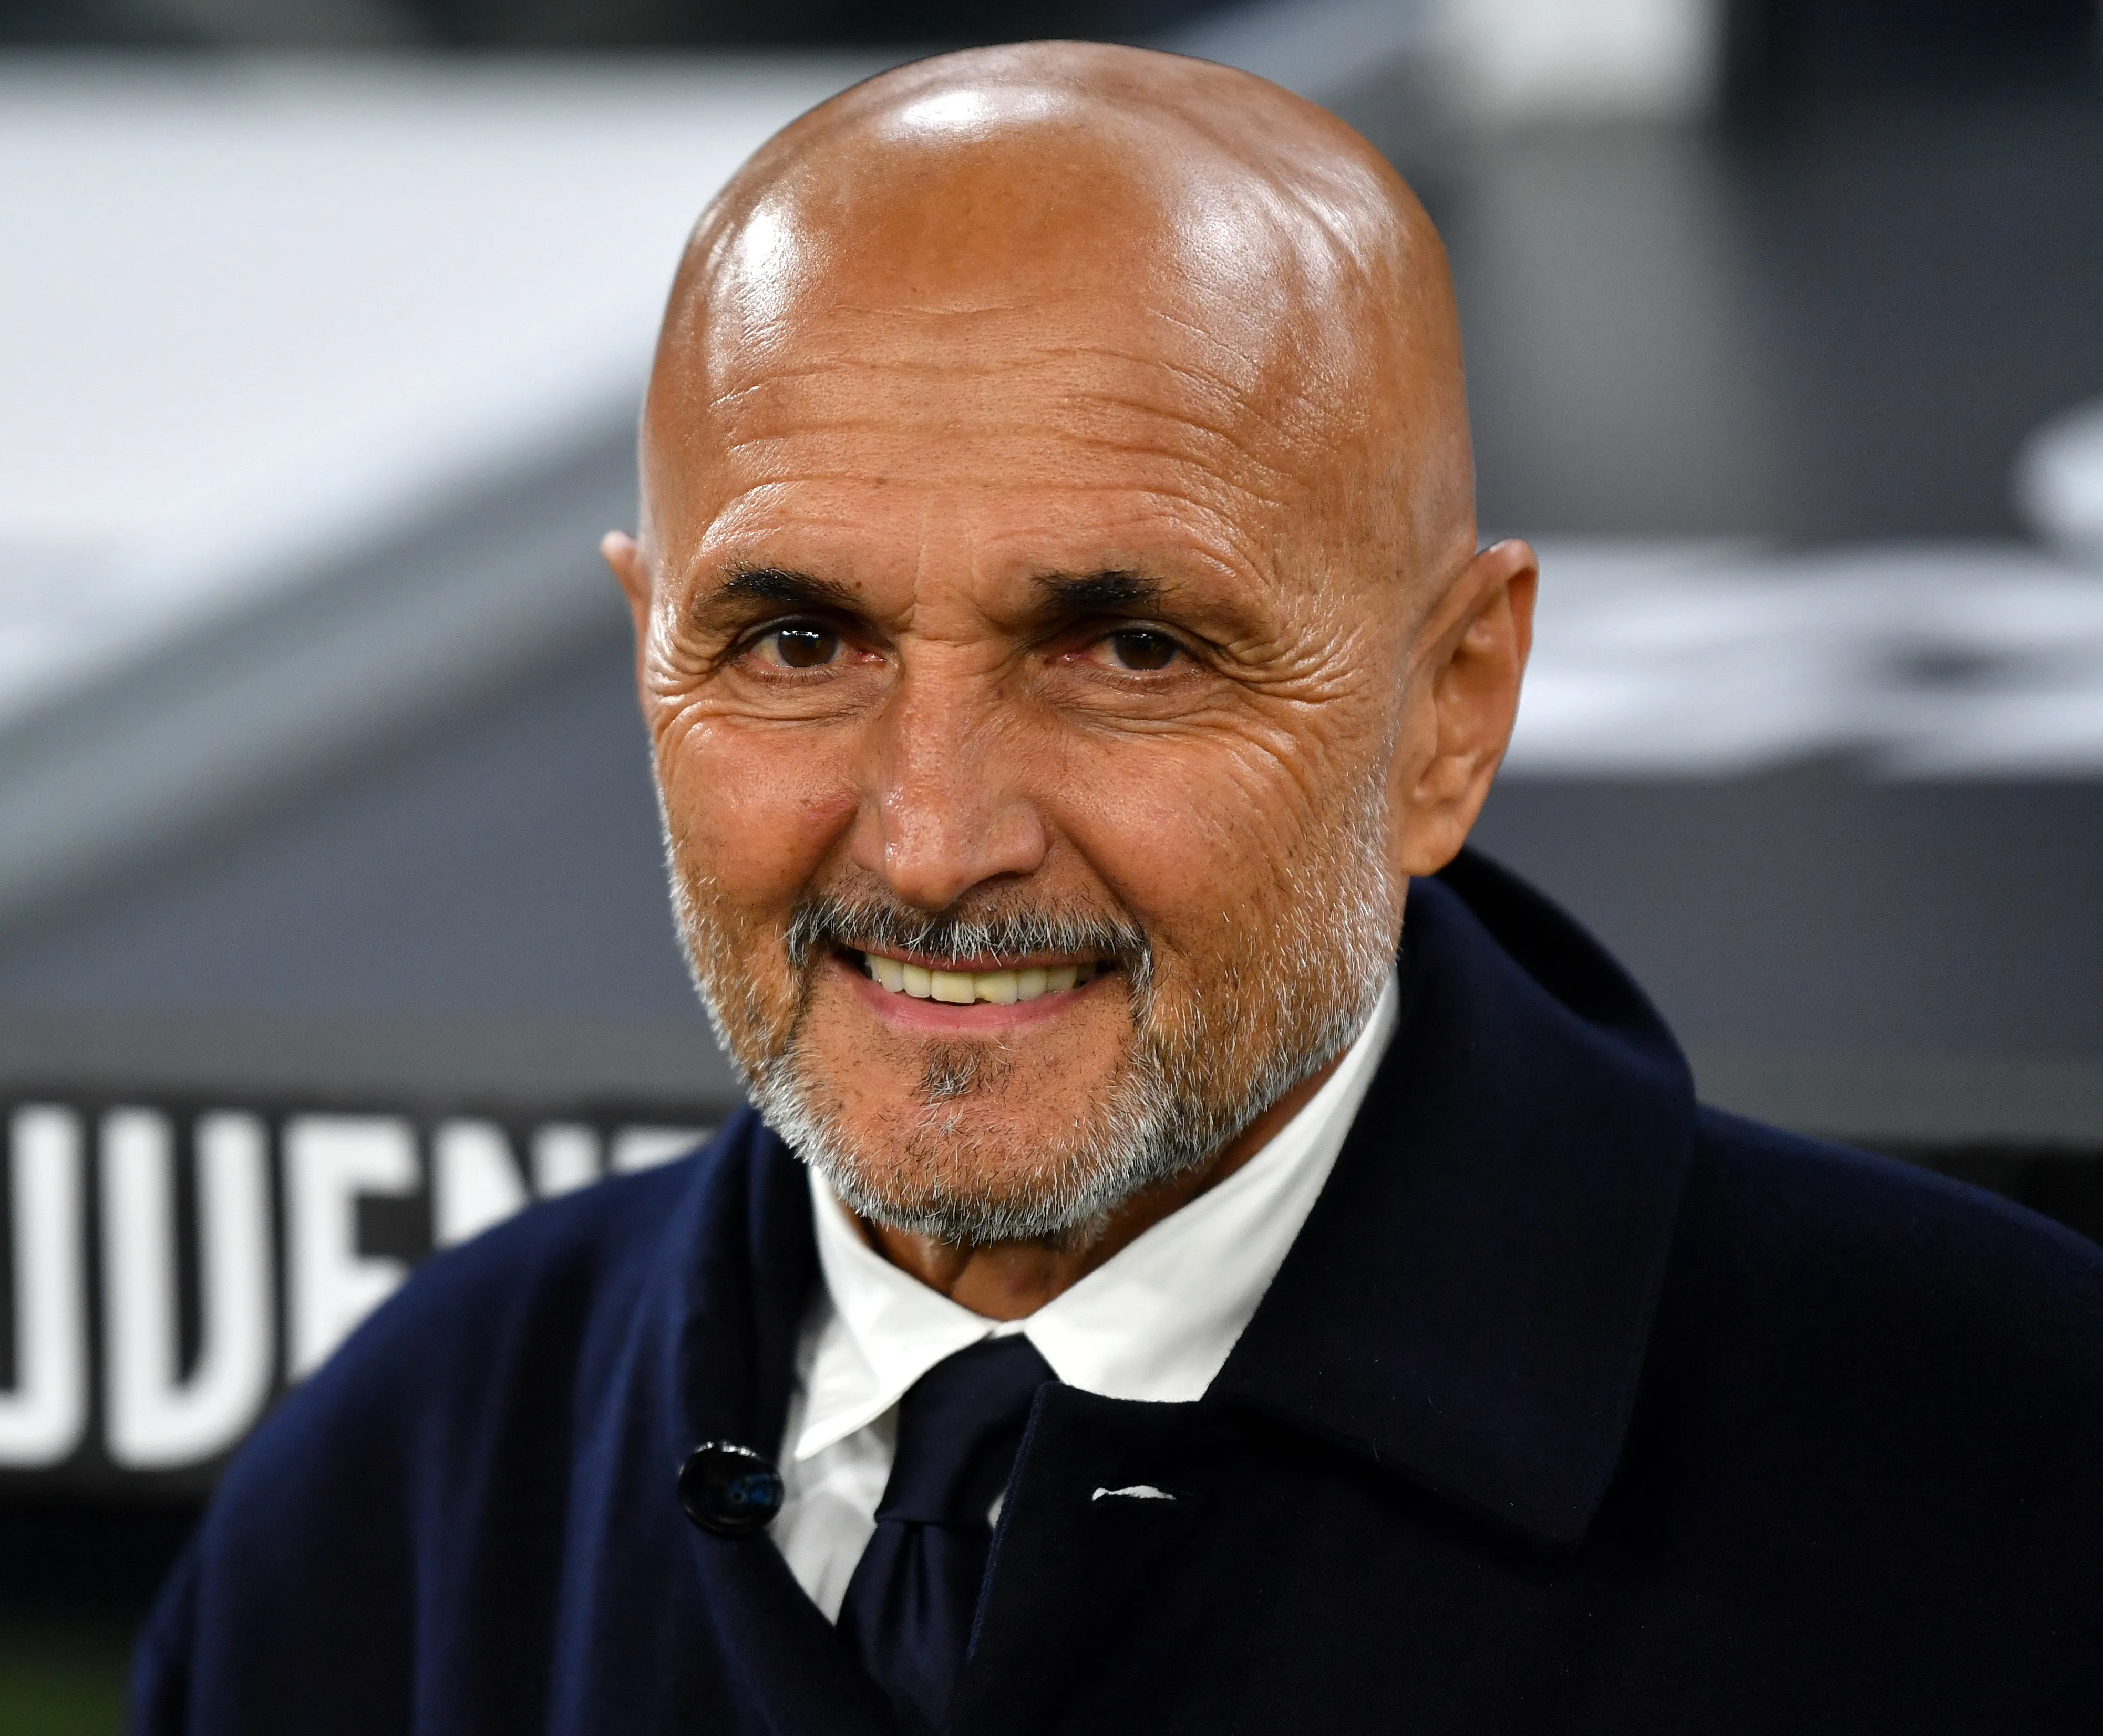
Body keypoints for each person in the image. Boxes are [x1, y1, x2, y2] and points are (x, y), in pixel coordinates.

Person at [130, 42, 2103, 1734]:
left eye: (1127, 648)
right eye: (798, 642)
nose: (928, 836)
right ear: (648, 653)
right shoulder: (397, 1493)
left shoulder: (1998, 1488)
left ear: (1447, 708)